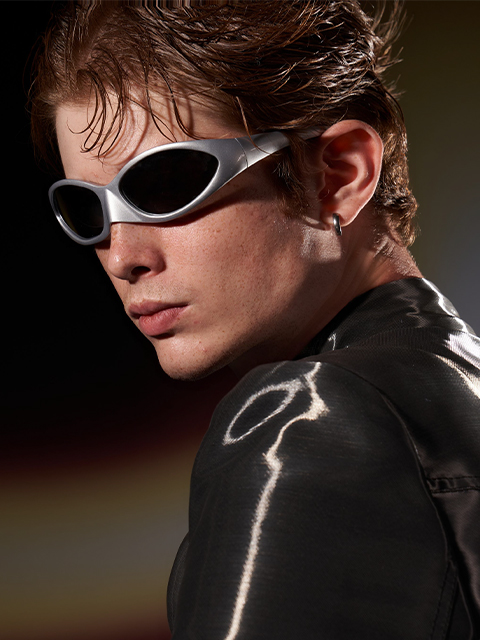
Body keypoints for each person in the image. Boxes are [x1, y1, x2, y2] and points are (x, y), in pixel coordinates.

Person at [30, 0, 480, 637]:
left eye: (165, 184)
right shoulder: (455, 394)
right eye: (87, 208)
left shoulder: (313, 418)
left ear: (339, 173)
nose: (122, 256)